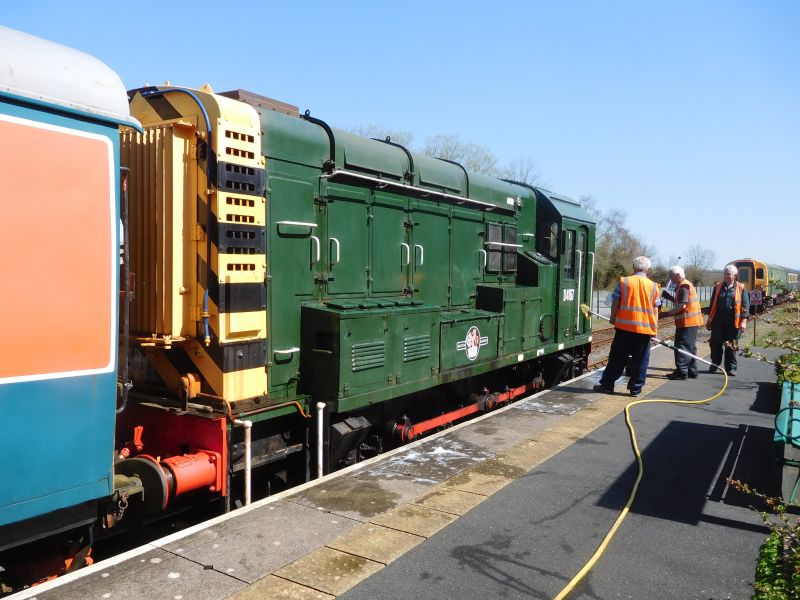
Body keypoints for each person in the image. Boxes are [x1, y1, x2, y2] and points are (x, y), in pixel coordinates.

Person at [594, 256, 661, 397]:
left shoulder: (624, 282)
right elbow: (655, 310)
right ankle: (635, 389)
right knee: (641, 360)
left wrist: (613, 318)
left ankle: (607, 385)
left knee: (617, 358)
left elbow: (615, 302)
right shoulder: (654, 286)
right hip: (644, 331)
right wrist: (654, 330)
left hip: (624, 329)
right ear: (647, 269)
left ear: (633, 267)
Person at [661, 266, 703, 380]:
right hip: (690, 322)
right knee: (690, 347)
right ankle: (692, 371)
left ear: (678, 275)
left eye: (671, 276)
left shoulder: (684, 285)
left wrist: (666, 314)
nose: (670, 279)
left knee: (682, 347)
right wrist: (669, 297)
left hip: (687, 322)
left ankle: (681, 372)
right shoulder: (684, 284)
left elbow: (682, 305)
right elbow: (680, 301)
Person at [706, 264, 750, 376]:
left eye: (728, 274)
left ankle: (731, 367)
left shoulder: (741, 287)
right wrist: (709, 320)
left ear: (735, 275)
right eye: (724, 274)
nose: (725, 276)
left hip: (733, 322)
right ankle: (715, 363)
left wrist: (744, 321)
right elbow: (712, 305)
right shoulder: (718, 287)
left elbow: (745, 306)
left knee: (732, 345)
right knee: (715, 344)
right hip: (718, 321)